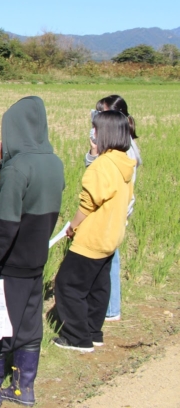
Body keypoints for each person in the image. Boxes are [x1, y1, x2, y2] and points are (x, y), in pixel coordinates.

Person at [0, 96, 65, 408]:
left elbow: (7, 225)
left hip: (8, 263)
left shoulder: (15, 170)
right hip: (36, 260)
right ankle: (24, 390)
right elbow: (32, 197)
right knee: (28, 326)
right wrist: (3, 163)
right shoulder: (54, 162)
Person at [53, 111, 136, 353]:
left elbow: (87, 205)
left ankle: (76, 338)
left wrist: (73, 225)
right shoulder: (124, 162)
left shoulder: (102, 166)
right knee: (98, 286)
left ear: (105, 133)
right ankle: (93, 331)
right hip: (111, 237)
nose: (93, 133)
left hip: (92, 238)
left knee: (68, 284)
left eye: (96, 129)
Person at [84, 95, 141, 322]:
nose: (97, 121)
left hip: (112, 213)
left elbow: (104, 182)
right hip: (113, 212)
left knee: (108, 261)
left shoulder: (124, 150)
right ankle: (108, 308)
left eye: (102, 115)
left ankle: (109, 309)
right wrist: (93, 152)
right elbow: (94, 171)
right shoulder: (114, 146)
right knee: (108, 260)